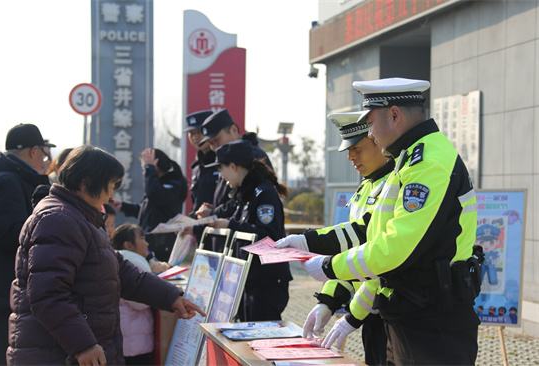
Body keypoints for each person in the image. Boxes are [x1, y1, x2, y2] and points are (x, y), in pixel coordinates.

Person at [301, 78, 481, 365]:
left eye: (370, 123)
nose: (370, 133)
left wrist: (329, 266)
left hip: (432, 322)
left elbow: (394, 247)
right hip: (411, 313)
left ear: (394, 115)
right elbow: (371, 230)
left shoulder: (427, 163)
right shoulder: (409, 160)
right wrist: (308, 245)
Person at [7, 145, 205, 365]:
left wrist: (171, 297)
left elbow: (121, 272)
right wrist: (82, 345)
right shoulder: (58, 220)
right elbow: (47, 294)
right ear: (86, 183)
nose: (111, 196)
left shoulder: (82, 217)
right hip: (57, 354)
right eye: (109, 187)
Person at [276, 111, 393, 365]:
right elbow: (353, 256)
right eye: (348, 151)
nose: (351, 157)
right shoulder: (366, 187)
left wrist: (307, 242)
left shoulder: (395, 186)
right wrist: (328, 302)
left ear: (378, 141)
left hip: (394, 312)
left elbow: (365, 242)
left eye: (358, 149)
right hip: (372, 314)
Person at [186, 140, 292, 321]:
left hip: (266, 283)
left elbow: (270, 236)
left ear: (233, 167)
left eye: (222, 169)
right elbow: (226, 211)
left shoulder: (263, 193)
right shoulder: (245, 193)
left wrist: (230, 225)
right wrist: (202, 220)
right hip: (248, 279)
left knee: (259, 339)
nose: (221, 176)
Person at [0, 123, 54, 366]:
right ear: (34, 151)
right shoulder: (7, 180)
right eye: (45, 154)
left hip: (14, 287)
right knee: (10, 354)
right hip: (9, 288)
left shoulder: (13, 176)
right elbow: (10, 234)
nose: (46, 161)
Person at [193, 109, 273, 252]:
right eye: (211, 143)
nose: (215, 147)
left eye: (217, 140)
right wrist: (213, 210)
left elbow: (244, 201)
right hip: (229, 244)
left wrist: (215, 213)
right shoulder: (225, 157)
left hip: (248, 250)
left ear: (234, 130)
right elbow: (234, 200)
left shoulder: (251, 156)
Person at [113, 148, 188, 261]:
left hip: (163, 247)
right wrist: (123, 206)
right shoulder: (157, 184)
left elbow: (154, 195)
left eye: (145, 167)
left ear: (155, 166)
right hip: (151, 244)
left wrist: (149, 168)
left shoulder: (172, 184)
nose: (145, 172)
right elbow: (149, 212)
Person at [111, 223, 156, 366]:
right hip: (132, 342)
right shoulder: (133, 262)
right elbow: (142, 301)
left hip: (125, 338)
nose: (146, 243)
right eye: (142, 239)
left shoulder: (115, 259)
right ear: (128, 245)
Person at [184, 110, 219, 218]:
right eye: (192, 134)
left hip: (222, 227)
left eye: (199, 132)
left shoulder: (222, 162)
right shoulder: (197, 168)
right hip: (202, 230)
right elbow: (197, 206)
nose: (195, 137)